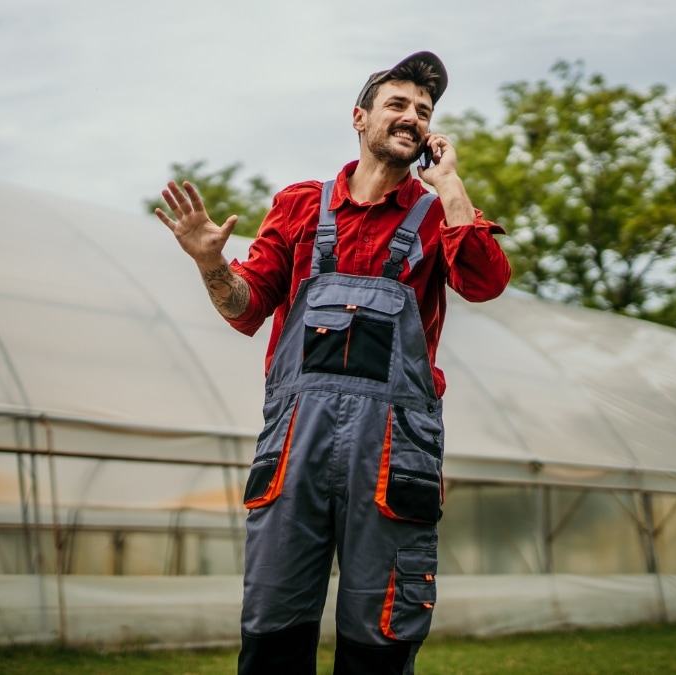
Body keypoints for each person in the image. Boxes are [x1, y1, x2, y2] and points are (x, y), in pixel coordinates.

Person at [156, 51, 511, 675]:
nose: (413, 117)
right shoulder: (299, 206)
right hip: (296, 445)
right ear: (359, 117)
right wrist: (210, 262)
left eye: (424, 111)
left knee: (380, 639)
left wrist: (450, 184)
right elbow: (245, 308)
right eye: (397, 104)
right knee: (273, 629)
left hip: (392, 454)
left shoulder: (440, 216)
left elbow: (484, 282)